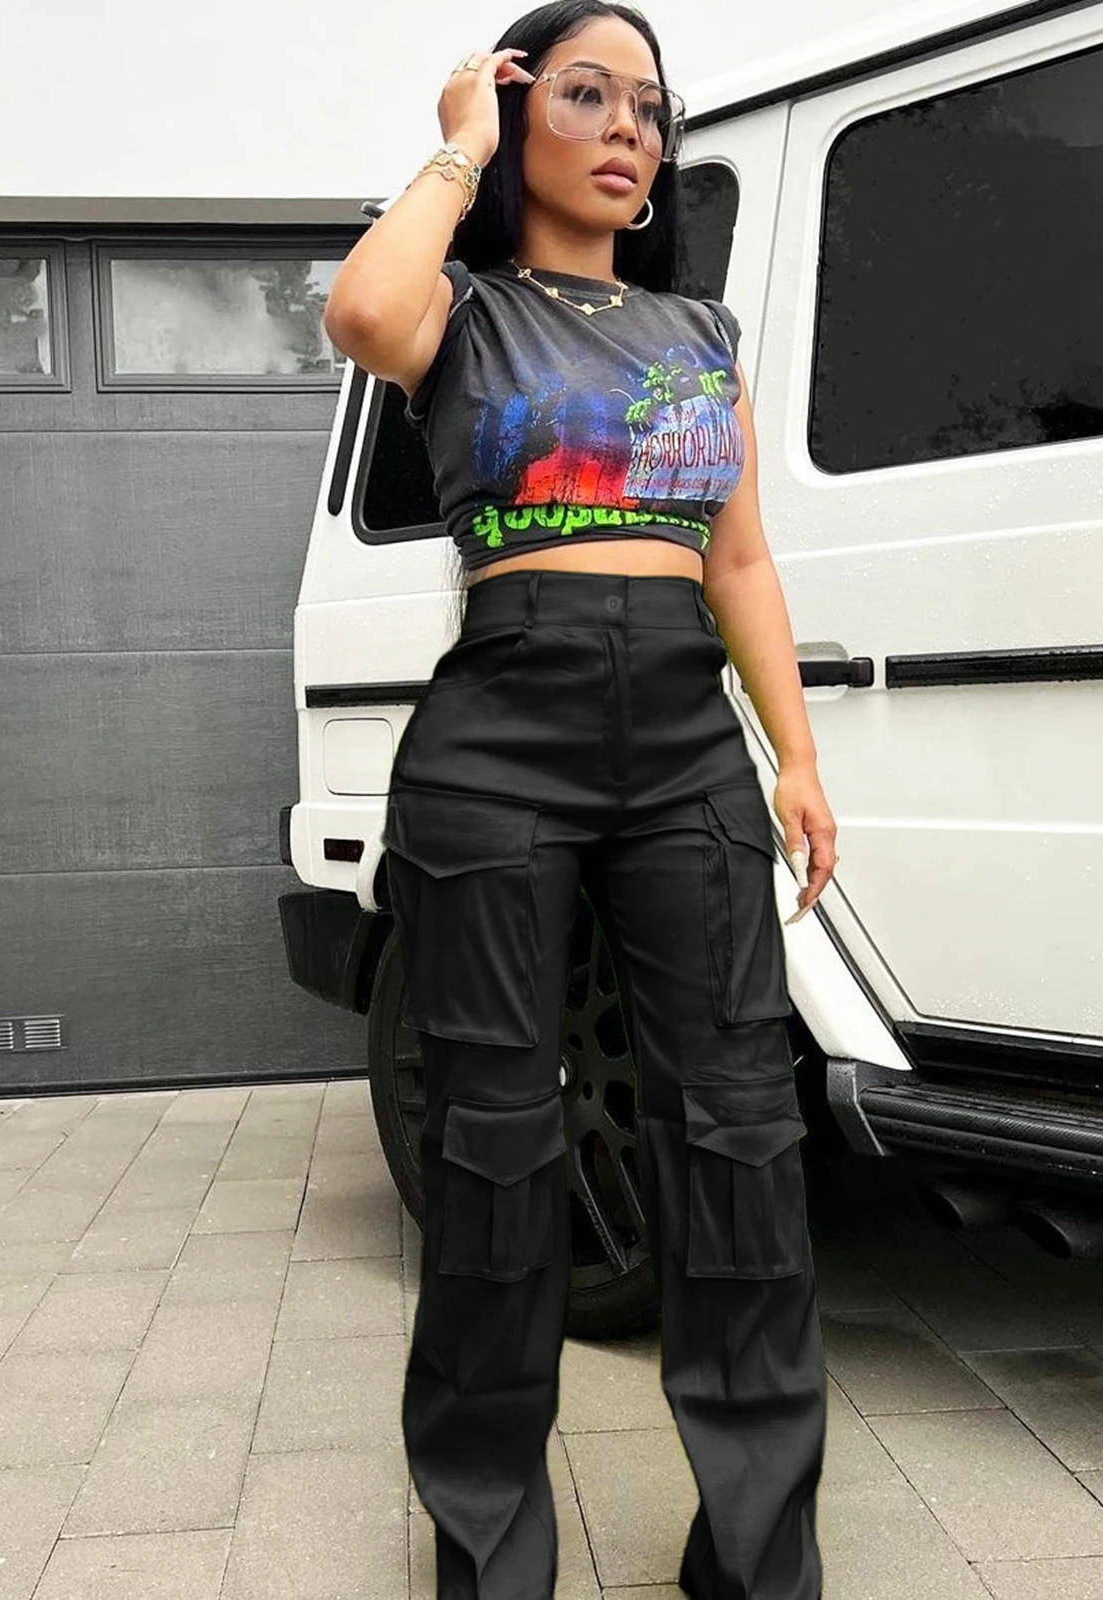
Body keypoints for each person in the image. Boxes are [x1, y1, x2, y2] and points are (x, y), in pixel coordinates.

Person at [323, 5, 837, 1596]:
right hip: (502, 733)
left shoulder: (699, 335)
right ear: (519, 114)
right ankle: (491, 1556)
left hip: (686, 735)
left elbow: (739, 558)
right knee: (492, 1141)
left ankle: (757, 1561)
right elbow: (360, 309)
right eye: (588, 95)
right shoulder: (460, 312)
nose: (629, 129)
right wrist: (458, 142)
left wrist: (797, 755)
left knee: (741, 1131)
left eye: (651, 109)